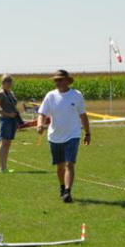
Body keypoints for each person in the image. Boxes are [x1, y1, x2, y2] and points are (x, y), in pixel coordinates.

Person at [36, 69, 91, 204]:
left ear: (67, 81)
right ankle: (62, 187)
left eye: (60, 79)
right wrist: (39, 124)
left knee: (69, 164)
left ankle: (67, 191)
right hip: (55, 136)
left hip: (73, 134)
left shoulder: (76, 95)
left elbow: (83, 115)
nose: (58, 82)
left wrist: (87, 133)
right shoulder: (50, 96)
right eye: (56, 80)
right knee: (60, 167)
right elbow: (42, 113)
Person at [0, 74, 21, 174]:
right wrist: (8, 114)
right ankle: (2, 167)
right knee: (4, 142)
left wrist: (17, 120)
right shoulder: (0, 94)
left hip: (13, 120)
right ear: (2, 82)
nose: (9, 83)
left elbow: (14, 107)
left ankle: (5, 166)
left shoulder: (11, 93)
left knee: (8, 143)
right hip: (5, 120)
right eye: (7, 81)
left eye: (10, 81)